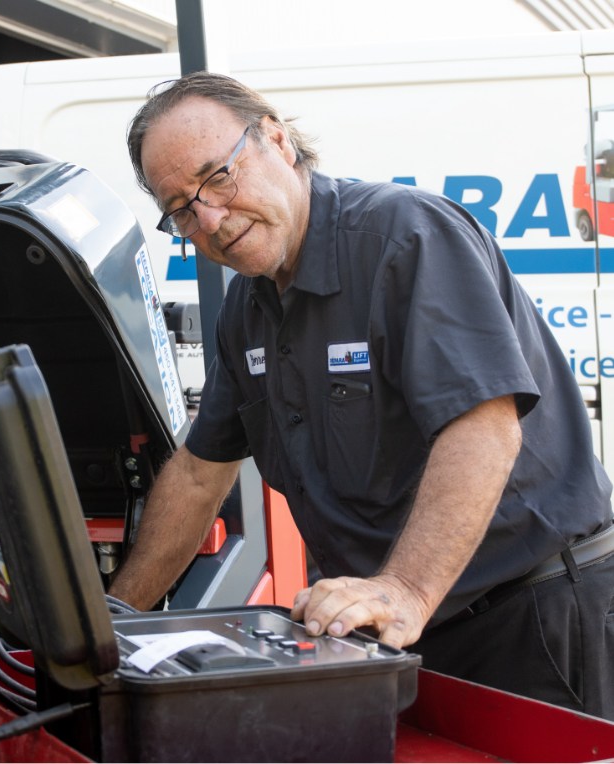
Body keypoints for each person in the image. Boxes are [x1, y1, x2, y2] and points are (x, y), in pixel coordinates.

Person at [108, 71, 614, 720]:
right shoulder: (247, 309)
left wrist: (404, 589)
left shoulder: (404, 239)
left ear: (277, 142)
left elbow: (483, 429)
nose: (207, 218)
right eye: (180, 208)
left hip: (530, 625)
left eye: (217, 177)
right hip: (393, 637)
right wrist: (115, 622)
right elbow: (200, 473)